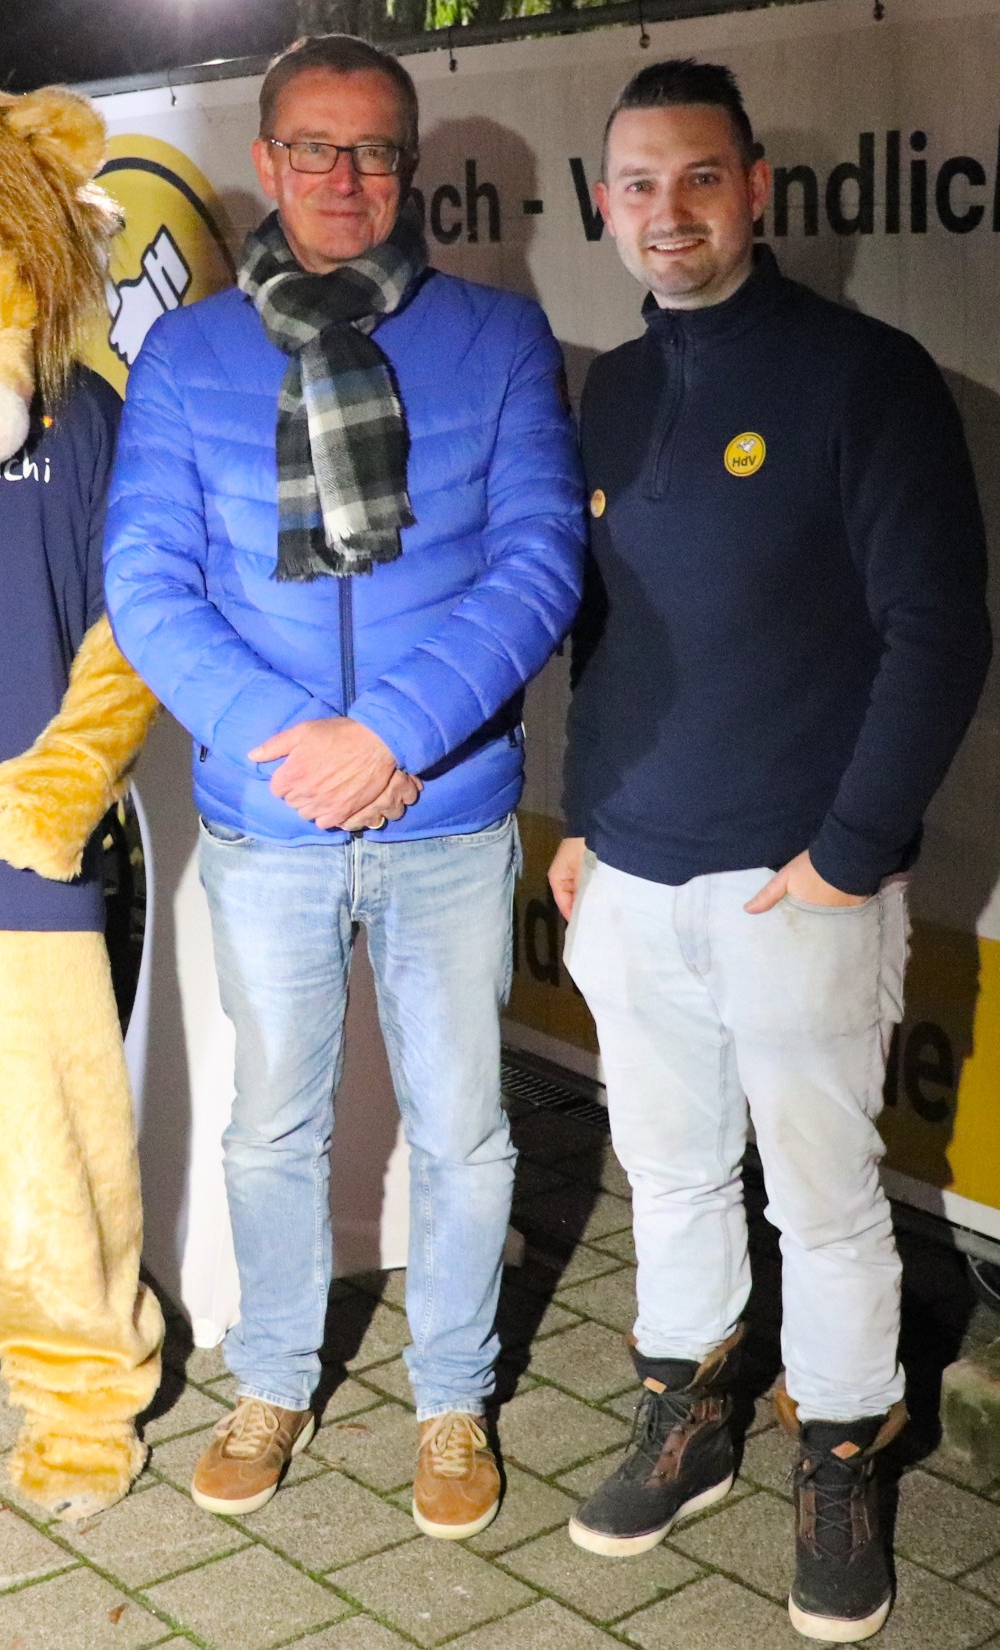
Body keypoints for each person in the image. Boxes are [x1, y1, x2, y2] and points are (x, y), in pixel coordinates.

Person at [105, 34, 584, 1532]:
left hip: (443, 809)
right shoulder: (185, 358)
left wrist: (396, 735)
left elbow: (539, 561)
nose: (345, 179)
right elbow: (148, 582)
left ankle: (451, 1396)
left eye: (375, 151)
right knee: (272, 1125)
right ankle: (274, 1376)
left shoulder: (498, 338)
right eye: (315, 149)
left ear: (411, 167)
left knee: (464, 1126)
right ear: (267, 163)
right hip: (271, 815)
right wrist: (297, 745)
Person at [550, 61, 992, 1642]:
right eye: (638, 186)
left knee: (822, 1196)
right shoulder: (611, 385)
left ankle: (844, 1449)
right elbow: (603, 635)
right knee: (667, 1166)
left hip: (795, 883)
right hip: (637, 878)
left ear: (756, 188)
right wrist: (588, 820)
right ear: (605, 204)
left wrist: (849, 852)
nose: (668, 214)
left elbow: (939, 636)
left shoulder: (866, 377)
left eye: (698, 180)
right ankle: (689, 1409)